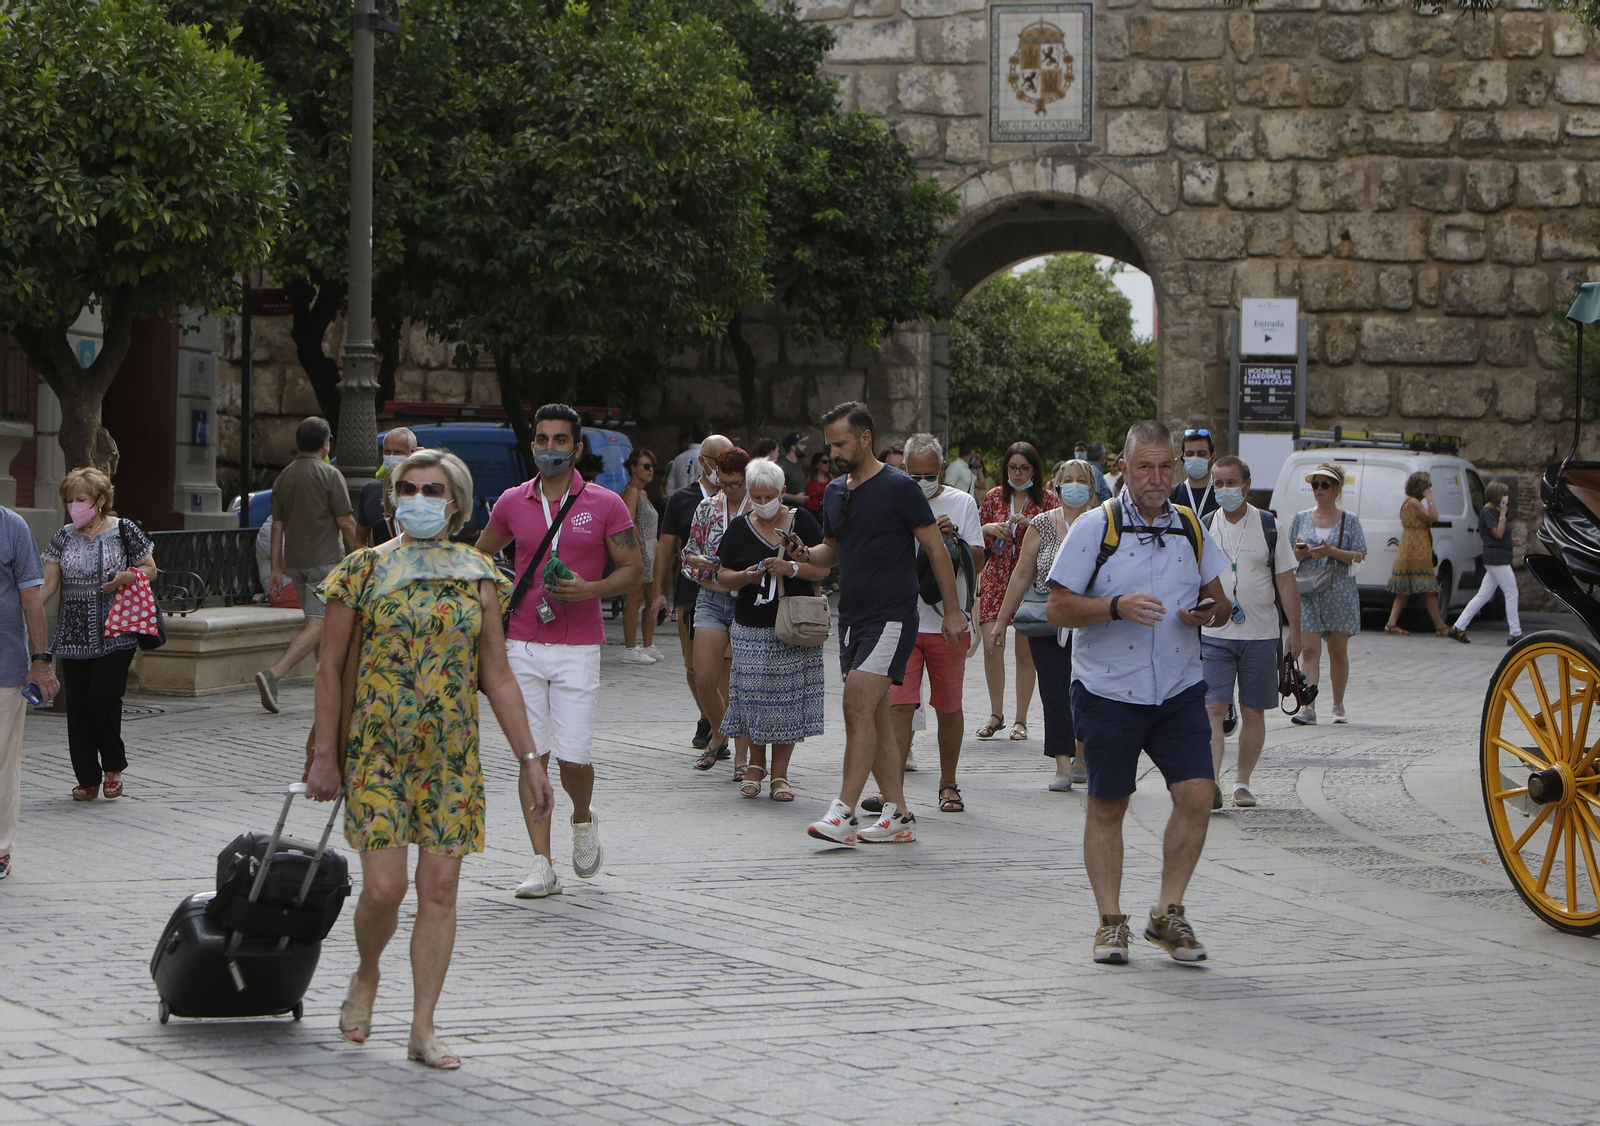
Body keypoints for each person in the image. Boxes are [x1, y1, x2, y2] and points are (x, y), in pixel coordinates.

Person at [306, 448, 556, 1070]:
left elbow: (496, 674)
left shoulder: (477, 575)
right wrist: (322, 754)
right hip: (377, 753)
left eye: (434, 489)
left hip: (449, 760)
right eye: (409, 488)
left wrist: (530, 757)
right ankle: (367, 971)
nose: (420, 498)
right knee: (385, 890)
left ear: (457, 504)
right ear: (394, 500)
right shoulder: (360, 571)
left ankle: (422, 1027)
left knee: (440, 889)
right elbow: (330, 667)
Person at [1046, 420, 1231, 965]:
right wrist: (1114, 606)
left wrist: (1207, 612)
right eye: (1145, 466)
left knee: (1197, 795)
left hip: (1178, 688)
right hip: (1109, 691)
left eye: (1165, 466)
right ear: (1123, 469)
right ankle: (1109, 921)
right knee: (1109, 805)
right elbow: (1057, 607)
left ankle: (1167, 913)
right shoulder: (1094, 528)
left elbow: (1221, 601)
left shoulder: (1192, 527)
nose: (1157, 477)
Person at [475, 404, 643, 899]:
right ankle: (541, 863)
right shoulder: (511, 501)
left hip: (578, 647)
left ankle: (583, 815)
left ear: (577, 448)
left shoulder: (607, 503)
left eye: (560, 440)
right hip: (521, 645)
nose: (551, 449)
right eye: (542, 440)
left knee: (572, 761)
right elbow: (480, 556)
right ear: (532, 447)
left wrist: (590, 589)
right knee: (534, 757)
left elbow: (633, 568)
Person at [799, 402, 964, 847]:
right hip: (851, 617)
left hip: (892, 616)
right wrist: (800, 558)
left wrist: (952, 611)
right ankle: (899, 814)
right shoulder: (835, 491)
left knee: (855, 705)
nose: (833, 451)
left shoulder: (899, 488)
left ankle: (844, 812)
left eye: (841, 443)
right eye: (829, 444)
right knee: (872, 713)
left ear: (865, 438)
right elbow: (830, 552)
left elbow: (935, 550)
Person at [714, 458, 828, 801]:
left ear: (781, 493)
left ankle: (780, 774)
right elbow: (721, 575)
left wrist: (791, 567)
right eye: (757, 496)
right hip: (750, 626)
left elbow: (822, 570)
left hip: (792, 626)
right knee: (751, 697)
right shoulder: (738, 527)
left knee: (787, 701)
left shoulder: (800, 522)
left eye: (769, 496)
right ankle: (755, 765)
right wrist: (745, 577)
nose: (763, 503)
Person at [39, 468, 157, 801]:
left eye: (81, 499)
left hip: (115, 631)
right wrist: (24, 609)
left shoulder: (124, 530)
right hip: (73, 634)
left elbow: (151, 568)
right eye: (69, 500)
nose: (73, 506)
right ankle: (87, 777)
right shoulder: (62, 537)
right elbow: (48, 585)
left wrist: (125, 577)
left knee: (102, 697)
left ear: (100, 500)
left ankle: (113, 766)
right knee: (76, 706)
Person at [883, 434, 982, 814]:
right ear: (903, 469)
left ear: (941, 469)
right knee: (899, 706)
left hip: (947, 622)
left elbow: (978, 558)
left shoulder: (962, 503)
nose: (921, 480)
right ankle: (894, 790)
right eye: (914, 473)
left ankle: (948, 783)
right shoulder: (894, 499)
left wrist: (949, 539)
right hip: (903, 620)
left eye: (928, 473)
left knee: (948, 706)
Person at [1201, 456, 1302, 810]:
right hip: (1215, 634)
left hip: (1261, 634)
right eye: (1218, 483)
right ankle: (1210, 782)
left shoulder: (1268, 525)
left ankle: (1242, 783)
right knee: (1214, 708)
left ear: (1246, 484)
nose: (1224, 490)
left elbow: (1286, 581)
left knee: (1253, 711)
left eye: (1231, 483)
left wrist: (1295, 633)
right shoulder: (1204, 525)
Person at [990, 458, 1096, 792]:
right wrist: (1000, 622)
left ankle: (1083, 755)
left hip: (1092, 621)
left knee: (1087, 691)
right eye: (1068, 478)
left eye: (1081, 479)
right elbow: (1022, 573)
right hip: (1048, 620)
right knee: (1054, 692)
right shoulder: (1042, 524)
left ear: (1092, 488)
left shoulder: (1102, 522)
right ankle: (1062, 764)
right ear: (1057, 484)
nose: (1074, 484)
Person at [256, 417, 360, 714]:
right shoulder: (330, 475)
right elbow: (346, 522)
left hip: (297, 564)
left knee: (320, 626)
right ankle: (273, 674)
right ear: (325, 443)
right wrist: (365, 555)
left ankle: (331, 687)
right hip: (325, 562)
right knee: (317, 624)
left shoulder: (284, 478)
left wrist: (277, 569)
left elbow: (277, 527)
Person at [650, 434, 733, 751]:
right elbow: (665, 547)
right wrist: (659, 593)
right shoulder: (682, 499)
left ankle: (718, 730)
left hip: (728, 592)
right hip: (691, 591)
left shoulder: (737, 496)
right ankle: (708, 715)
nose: (723, 467)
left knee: (724, 665)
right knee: (695, 668)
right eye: (718, 460)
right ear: (704, 461)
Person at [975, 441, 1059, 742]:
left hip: (1031, 581)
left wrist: (1032, 525)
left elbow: (1059, 538)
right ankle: (996, 713)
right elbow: (975, 534)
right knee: (991, 645)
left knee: (1026, 652)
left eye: (1024, 468)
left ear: (1034, 469)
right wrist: (989, 529)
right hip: (996, 576)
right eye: (1013, 467)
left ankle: (1020, 720)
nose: (1019, 473)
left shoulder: (1047, 501)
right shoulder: (994, 496)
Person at [682, 447, 752, 774]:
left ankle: (738, 755)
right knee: (705, 678)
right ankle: (719, 732)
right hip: (710, 596)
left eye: (735, 483)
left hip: (746, 600)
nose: (727, 489)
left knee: (740, 683)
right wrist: (697, 560)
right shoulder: (708, 506)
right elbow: (689, 551)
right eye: (722, 482)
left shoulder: (759, 508)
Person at [1, 503, 61, 880]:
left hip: (4, 669)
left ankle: (0, 849)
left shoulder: (12, 528)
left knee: (3, 763)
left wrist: (40, 661)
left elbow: (31, 600)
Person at [1289, 463, 1368, 726]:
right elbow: (1289, 552)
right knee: (1309, 650)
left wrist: (1331, 551)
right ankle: (1308, 706)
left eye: (1325, 484)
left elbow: (1360, 555)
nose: (1319, 489)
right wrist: (1299, 553)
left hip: (1339, 591)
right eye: (1315, 484)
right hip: (1309, 591)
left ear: (1336, 488)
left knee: (1337, 650)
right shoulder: (1300, 518)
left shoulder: (1350, 520)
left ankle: (1338, 704)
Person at [1448, 481, 1523, 646]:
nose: (1506, 497)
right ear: (1497, 495)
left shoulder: (1494, 511)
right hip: (1496, 558)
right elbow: (1497, 534)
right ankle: (1515, 633)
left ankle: (1458, 627)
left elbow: (1501, 537)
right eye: (1503, 494)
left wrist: (1511, 541)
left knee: (1483, 595)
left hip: (1497, 556)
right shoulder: (1488, 512)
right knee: (1511, 593)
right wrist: (1503, 515)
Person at [1384, 471, 1450, 638]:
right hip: (1416, 550)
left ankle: (1391, 623)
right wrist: (1430, 498)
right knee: (1428, 588)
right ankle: (1440, 626)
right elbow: (1433, 517)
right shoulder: (1413, 502)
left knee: (1405, 590)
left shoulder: (1410, 501)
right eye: (1427, 487)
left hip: (1413, 547)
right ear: (1421, 488)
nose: (1429, 489)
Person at [619, 448, 662, 664]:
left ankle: (647, 644)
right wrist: (641, 548)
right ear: (633, 468)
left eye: (652, 465)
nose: (651, 470)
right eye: (646, 465)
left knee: (651, 599)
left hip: (649, 552)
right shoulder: (632, 491)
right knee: (634, 600)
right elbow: (628, 521)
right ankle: (630, 648)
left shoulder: (642, 492)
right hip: (640, 553)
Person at [357, 427, 418, 548]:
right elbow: (360, 540)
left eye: (398, 452)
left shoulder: (422, 492)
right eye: (387, 452)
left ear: (412, 453)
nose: (392, 456)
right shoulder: (369, 490)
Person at [1171, 428, 1219, 519]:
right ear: (1183, 457)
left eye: (1201, 454)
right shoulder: (1172, 495)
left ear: (1213, 457)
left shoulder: (1222, 495)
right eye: (1190, 454)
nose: (1195, 458)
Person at [665, 420, 710, 495]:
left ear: (691, 437)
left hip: (680, 504)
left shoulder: (678, 459)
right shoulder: (710, 459)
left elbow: (670, 487)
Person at [780, 432, 810, 508]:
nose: (805, 446)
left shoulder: (798, 465)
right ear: (793, 447)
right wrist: (795, 498)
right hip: (786, 512)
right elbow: (774, 492)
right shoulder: (782, 466)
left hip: (798, 511)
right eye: (801, 444)